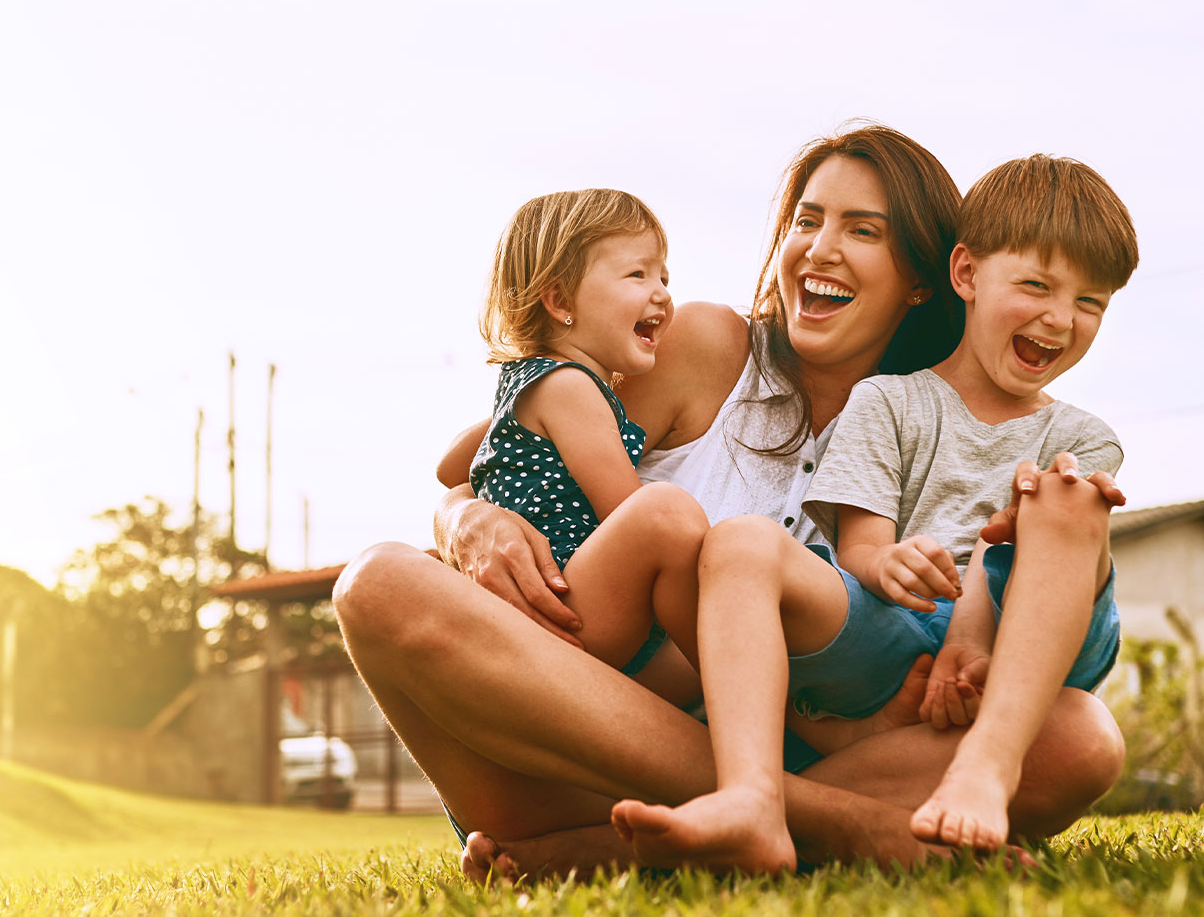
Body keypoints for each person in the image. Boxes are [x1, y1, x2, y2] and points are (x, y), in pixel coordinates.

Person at [333, 125, 1126, 877]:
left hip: (819, 755)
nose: (819, 248)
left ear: (924, 279)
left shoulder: (944, 427)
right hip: (567, 748)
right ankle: (827, 823)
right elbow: (511, 444)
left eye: (862, 230)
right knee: (377, 583)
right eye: (806, 220)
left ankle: (646, 839)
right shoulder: (705, 347)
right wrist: (468, 518)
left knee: (1078, 738)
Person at [608, 154, 1136, 870]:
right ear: (966, 276)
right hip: (901, 628)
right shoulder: (887, 400)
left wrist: (974, 638)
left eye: (1089, 303)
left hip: (1026, 640)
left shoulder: (1080, 437)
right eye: (1037, 286)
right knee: (740, 543)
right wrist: (886, 562)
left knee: (1064, 501)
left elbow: (1017, 555)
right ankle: (752, 800)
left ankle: (986, 765)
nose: (1057, 318)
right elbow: (858, 547)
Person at [468, 188, 707, 675]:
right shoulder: (570, 387)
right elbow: (629, 512)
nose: (661, 292)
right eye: (637, 274)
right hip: (568, 606)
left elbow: (456, 465)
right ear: (559, 300)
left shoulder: (528, 380)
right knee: (667, 513)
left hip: (559, 610)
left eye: (664, 275)